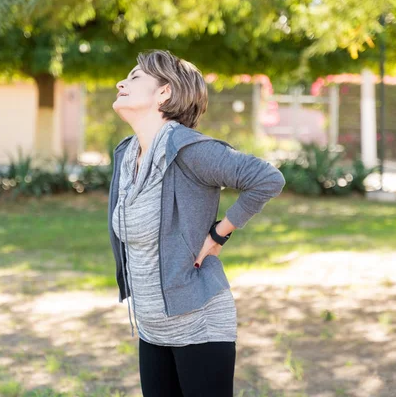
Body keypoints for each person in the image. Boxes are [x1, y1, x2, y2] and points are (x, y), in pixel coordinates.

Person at [107, 49, 286, 397]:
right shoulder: (127, 154)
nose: (121, 83)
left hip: (198, 324)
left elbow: (267, 178)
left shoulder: (188, 149)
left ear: (164, 92)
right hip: (152, 328)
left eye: (135, 77)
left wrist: (221, 233)